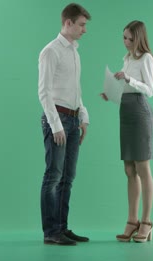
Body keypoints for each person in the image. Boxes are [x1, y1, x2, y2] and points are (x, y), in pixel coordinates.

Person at [38, 3, 91, 246]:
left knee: (68, 177)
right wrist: (56, 125)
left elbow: (75, 90)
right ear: (67, 23)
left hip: (72, 118)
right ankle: (51, 231)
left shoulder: (74, 52)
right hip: (57, 119)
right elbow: (44, 92)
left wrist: (84, 117)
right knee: (54, 175)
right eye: (81, 25)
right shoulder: (51, 51)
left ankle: (62, 227)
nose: (84, 30)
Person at [100, 20, 153, 243]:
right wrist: (112, 92)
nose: (125, 42)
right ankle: (132, 220)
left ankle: (146, 222)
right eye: (123, 37)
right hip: (125, 112)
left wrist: (129, 79)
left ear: (139, 38)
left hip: (140, 114)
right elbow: (127, 87)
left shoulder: (146, 58)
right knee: (128, 168)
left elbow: (149, 90)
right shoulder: (126, 59)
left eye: (130, 38)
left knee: (143, 167)